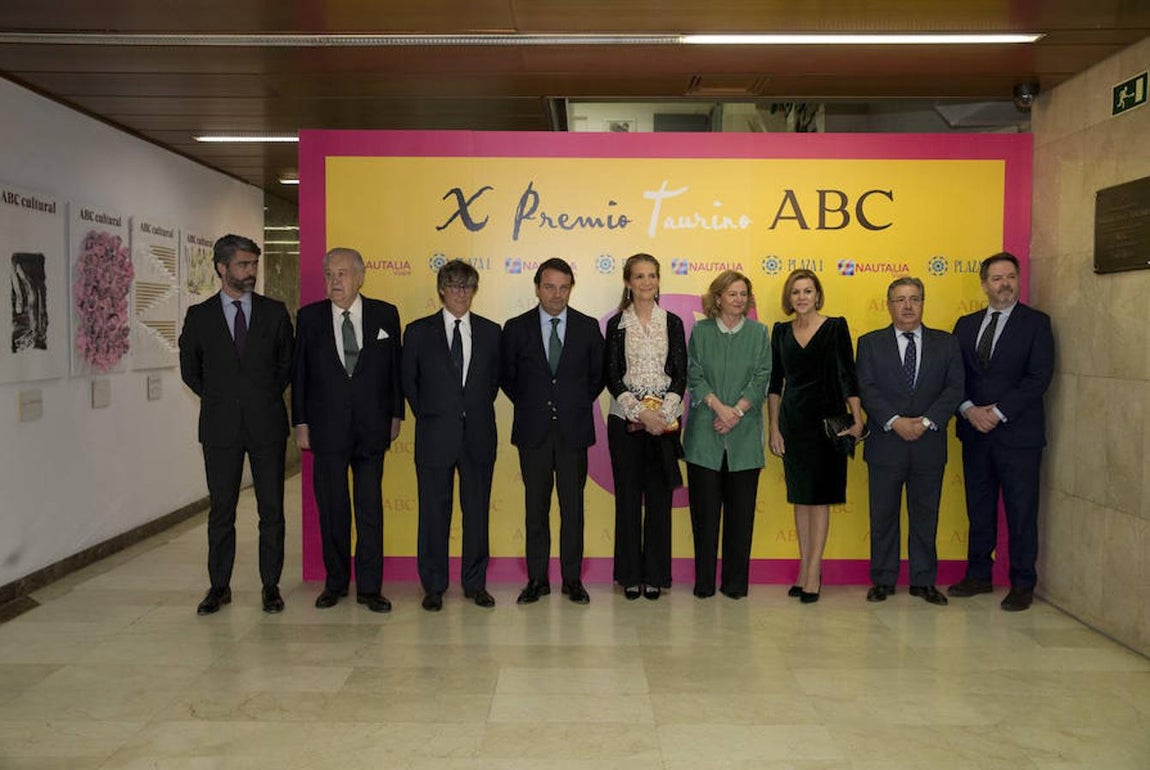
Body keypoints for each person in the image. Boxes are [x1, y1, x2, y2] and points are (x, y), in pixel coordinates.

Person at [179, 234, 293, 615]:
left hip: (267, 426)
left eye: (254, 265)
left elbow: (285, 366)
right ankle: (219, 586)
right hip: (220, 428)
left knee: (271, 510)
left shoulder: (275, 312)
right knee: (222, 511)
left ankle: (270, 585)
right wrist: (223, 398)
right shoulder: (200, 317)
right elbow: (190, 371)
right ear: (221, 268)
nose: (251, 272)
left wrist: (258, 397)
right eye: (243, 265)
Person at [291, 247, 403, 614]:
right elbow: (300, 375)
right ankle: (336, 583)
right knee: (333, 509)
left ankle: (371, 588)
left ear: (360, 276)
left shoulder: (385, 314)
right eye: (328, 274)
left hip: (372, 429)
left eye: (341, 273)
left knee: (370, 509)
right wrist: (301, 422)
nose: (333, 281)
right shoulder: (309, 318)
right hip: (326, 431)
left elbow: (395, 372)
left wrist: (396, 414)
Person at [948, 252, 1054, 611]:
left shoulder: (1037, 323)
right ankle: (978, 575)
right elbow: (954, 377)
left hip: (1018, 437)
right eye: (996, 278)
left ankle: (1023, 582)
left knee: (1021, 510)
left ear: (1018, 280)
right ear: (984, 284)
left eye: (1010, 276)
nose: (1004, 283)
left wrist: (997, 412)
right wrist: (967, 410)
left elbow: (1038, 377)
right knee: (978, 508)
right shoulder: (965, 325)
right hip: (974, 433)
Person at [501, 258, 605, 605]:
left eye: (563, 287)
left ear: (570, 288)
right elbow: (508, 378)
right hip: (533, 432)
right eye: (549, 286)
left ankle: (572, 580)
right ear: (537, 288)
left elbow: (597, 378)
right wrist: (539, 404)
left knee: (573, 509)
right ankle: (537, 579)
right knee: (535, 509)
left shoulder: (588, 327)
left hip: (574, 431)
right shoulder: (515, 328)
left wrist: (568, 404)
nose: (556, 294)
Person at [857, 277, 964, 606]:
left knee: (925, 515)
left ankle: (923, 581)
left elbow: (955, 388)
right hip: (886, 444)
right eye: (900, 299)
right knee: (883, 516)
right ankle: (883, 580)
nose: (907, 306)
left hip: (928, 444)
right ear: (889, 305)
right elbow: (867, 387)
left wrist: (927, 422)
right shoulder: (870, 343)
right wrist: (894, 421)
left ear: (923, 303)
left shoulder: (946, 343)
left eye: (914, 299)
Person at [402, 259, 501, 612]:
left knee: (476, 513)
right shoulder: (416, 332)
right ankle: (433, 585)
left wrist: (465, 411)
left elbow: (490, 385)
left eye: (467, 287)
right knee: (432, 513)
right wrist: (435, 414)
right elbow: (409, 385)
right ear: (441, 290)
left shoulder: (492, 332)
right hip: (434, 435)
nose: (461, 293)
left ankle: (476, 584)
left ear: (475, 291)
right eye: (454, 286)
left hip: (477, 435)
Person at [768, 269, 863, 604]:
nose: (802, 297)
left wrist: (858, 416)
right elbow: (774, 384)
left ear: (818, 295)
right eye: (796, 292)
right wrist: (774, 427)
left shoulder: (835, 326)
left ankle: (813, 572)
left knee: (820, 498)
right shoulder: (780, 332)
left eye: (808, 291)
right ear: (789, 298)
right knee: (801, 498)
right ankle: (804, 567)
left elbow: (847, 374)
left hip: (827, 424)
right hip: (793, 423)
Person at [683, 270, 771, 600]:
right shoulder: (701, 331)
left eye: (743, 294)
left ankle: (735, 584)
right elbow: (694, 374)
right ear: (717, 298)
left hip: (744, 438)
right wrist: (720, 409)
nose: (738, 299)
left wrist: (736, 412)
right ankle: (704, 584)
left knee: (741, 518)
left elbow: (762, 378)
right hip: (704, 437)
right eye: (732, 293)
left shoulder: (759, 333)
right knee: (704, 519)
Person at [604, 254, 687, 601]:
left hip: (665, 423)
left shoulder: (673, 322)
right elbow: (611, 375)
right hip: (625, 422)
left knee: (658, 500)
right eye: (639, 276)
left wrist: (662, 416)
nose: (646, 282)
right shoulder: (616, 324)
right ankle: (629, 575)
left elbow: (680, 374)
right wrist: (639, 413)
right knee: (626, 499)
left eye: (652, 275)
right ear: (628, 281)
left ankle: (655, 575)